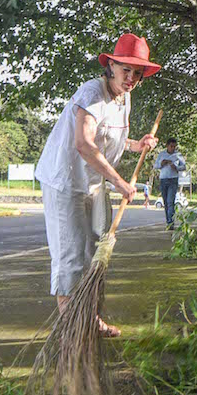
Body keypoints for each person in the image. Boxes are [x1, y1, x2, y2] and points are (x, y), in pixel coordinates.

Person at [34, 33, 160, 338]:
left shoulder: (124, 98)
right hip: (65, 181)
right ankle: (71, 327)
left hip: (92, 183)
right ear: (112, 66)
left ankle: (88, 318)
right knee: (71, 254)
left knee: (94, 251)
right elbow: (84, 144)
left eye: (137, 73)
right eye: (125, 70)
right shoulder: (92, 93)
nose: (131, 78)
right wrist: (119, 182)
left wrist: (135, 144)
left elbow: (110, 139)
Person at [154, 137, 186, 230]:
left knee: (170, 201)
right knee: (166, 203)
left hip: (173, 179)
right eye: (171, 146)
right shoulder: (161, 154)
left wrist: (176, 167)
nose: (173, 148)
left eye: (174, 146)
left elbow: (184, 166)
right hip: (163, 179)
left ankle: (170, 223)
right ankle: (168, 220)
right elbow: (156, 166)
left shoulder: (178, 155)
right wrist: (162, 163)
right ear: (167, 146)